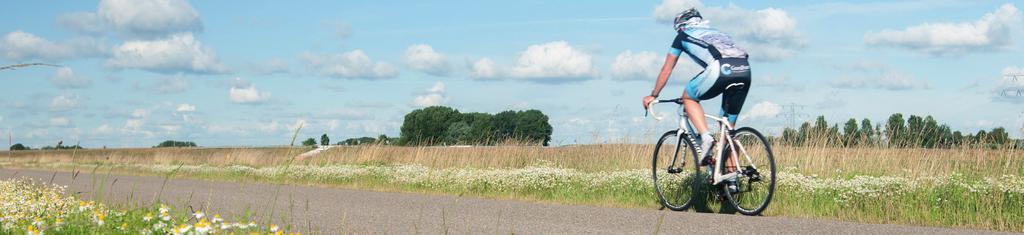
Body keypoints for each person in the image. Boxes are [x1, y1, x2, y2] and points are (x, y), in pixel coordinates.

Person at [641, 8, 751, 191]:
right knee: (729, 131)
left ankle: (706, 137)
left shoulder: (683, 36)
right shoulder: (717, 32)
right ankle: (732, 181)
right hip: (744, 69)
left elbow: (667, 69)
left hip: (722, 67)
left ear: (681, 26)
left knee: (688, 97)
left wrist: (654, 94)